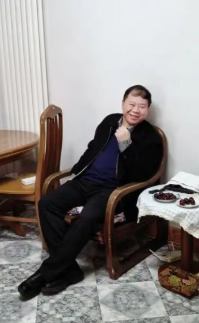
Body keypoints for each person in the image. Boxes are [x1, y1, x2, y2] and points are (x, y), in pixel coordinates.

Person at [18, 85, 163, 298]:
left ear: (147, 110)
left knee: (87, 218)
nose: (135, 110)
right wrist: (74, 172)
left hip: (112, 191)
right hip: (85, 181)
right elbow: (92, 149)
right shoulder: (109, 122)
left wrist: (126, 144)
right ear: (123, 103)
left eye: (141, 106)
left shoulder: (151, 137)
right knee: (47, 203)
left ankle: (45, 273)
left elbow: (142, 175)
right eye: (131, 104)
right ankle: (70, 270)